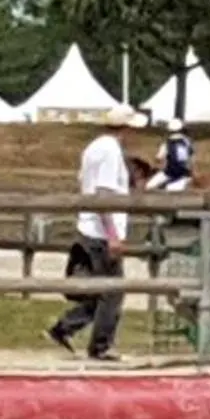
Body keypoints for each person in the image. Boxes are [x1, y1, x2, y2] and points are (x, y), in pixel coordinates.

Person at [49, 110, 141, 359]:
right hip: (101, 231)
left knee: (100, 289)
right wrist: (112, 235)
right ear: (126, 128)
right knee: (113, 290)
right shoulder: (111, 151)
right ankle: (101, 345)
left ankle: (65, 327)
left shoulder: (93, 148)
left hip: (89, 226)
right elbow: (103, 194)